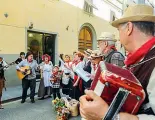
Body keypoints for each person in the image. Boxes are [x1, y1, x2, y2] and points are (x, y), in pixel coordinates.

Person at [80, 4, 155, 120]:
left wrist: (110, 115)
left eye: (119, 30)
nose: (119, 38)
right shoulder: (136, 60)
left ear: (129, 28)